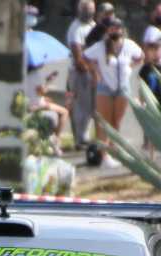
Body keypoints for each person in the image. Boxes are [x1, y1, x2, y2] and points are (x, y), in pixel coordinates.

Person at [84, 19, 141, 165]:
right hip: (105, 86)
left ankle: (114, 152)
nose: (114, 31)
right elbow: (86, 57)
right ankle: (104, 156)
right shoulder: (100, 46)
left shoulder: (129, 45)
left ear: (122, 30)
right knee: (105, 122)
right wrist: (95, 72)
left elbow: (141, 56)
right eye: (112, 28)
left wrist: (131, 66)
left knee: (116, 121)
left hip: (122, 87)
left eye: (117, 28)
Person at [67, 0, 97, 147]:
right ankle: (80, 139)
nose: (88, 12)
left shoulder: (93, 26)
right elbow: (78, 56)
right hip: (81, 72)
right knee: (81, 106)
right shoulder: (76, 28)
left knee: (92, 107)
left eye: (91, 9)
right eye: (85, 9)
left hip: (92, 71)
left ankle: (86, 136)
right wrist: (89, 71)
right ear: (79, 11)